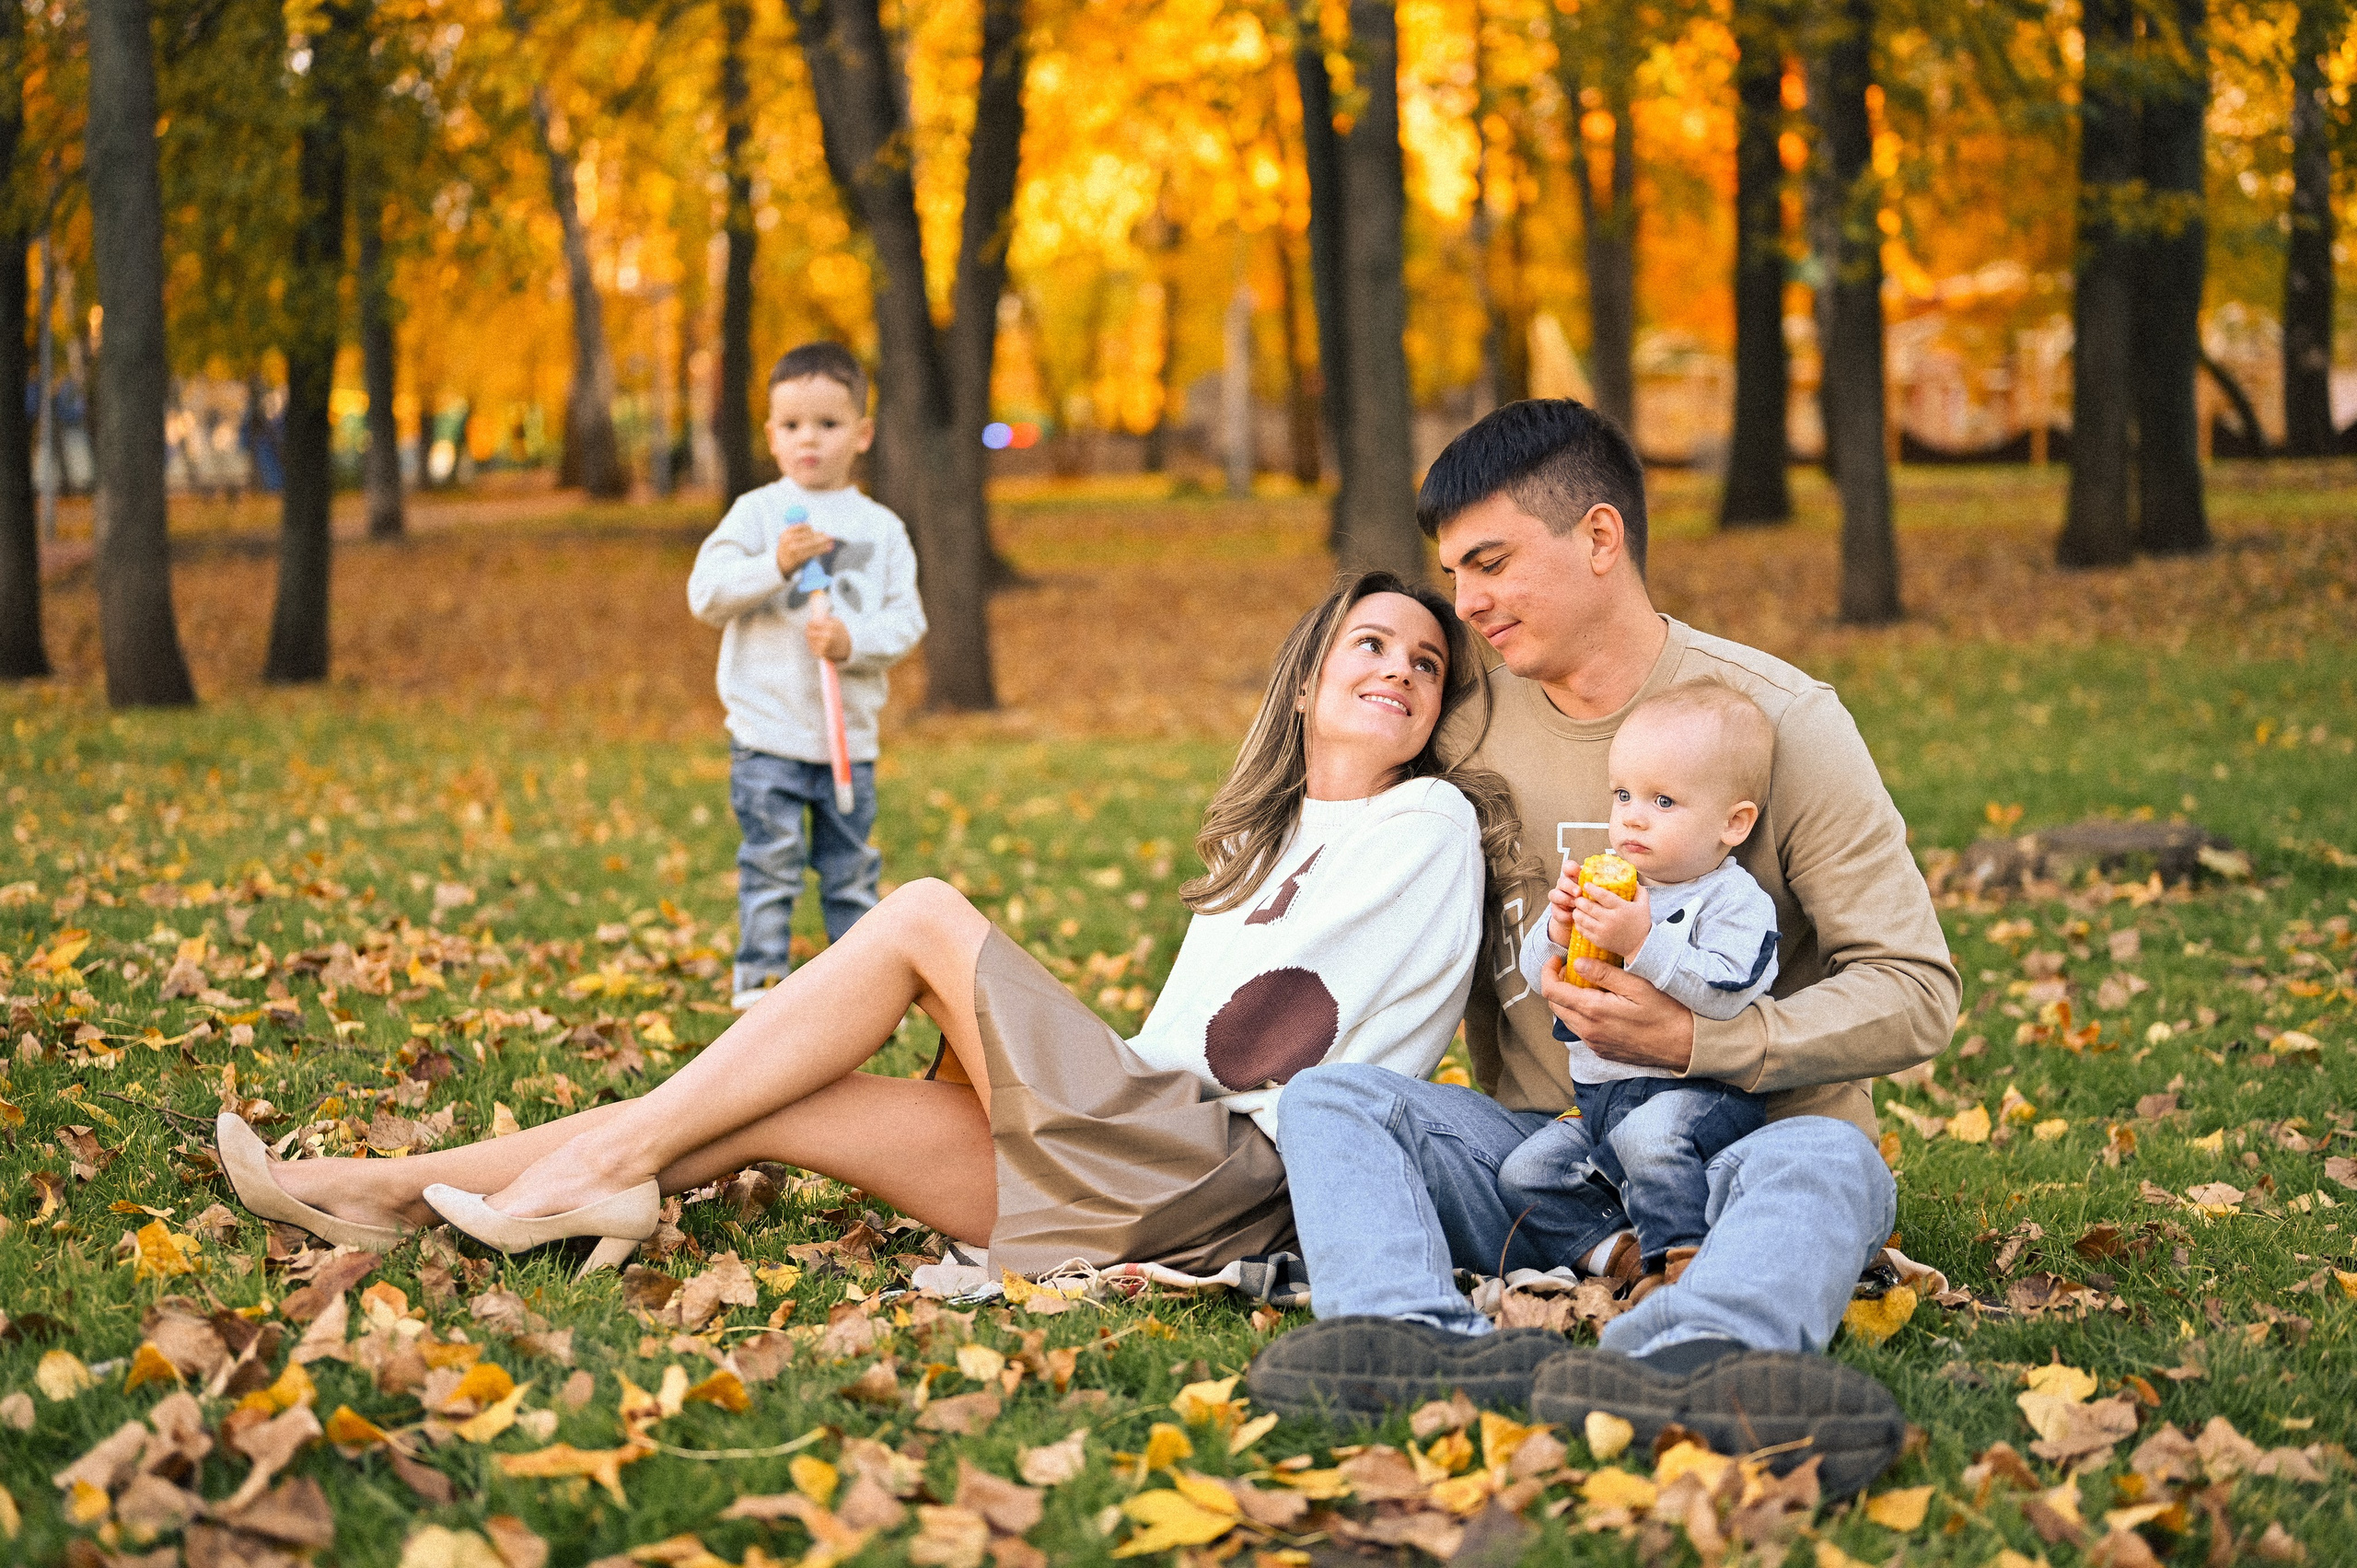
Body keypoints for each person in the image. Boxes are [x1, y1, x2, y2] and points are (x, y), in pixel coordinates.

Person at [215, 572, 1521, 1288]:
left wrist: (1022, 1061)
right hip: (1132, 1169)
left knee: (920, 914)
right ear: (1306, 679)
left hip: (1216, 1177)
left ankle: (571, 1170)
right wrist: (1007, 1073)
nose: (1400, 670)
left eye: (1424, 665)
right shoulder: (1273, 841)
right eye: (1373, 643)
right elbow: (1190, 1032)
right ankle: (394, 1189)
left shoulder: (1427, 826)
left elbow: (1262, 1051)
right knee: (783, 1103)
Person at [1248, 400, 1960, 1497]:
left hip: (1744, 1153)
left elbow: (1915, 991)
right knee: (1335, 1101)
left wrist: (1701, 1034)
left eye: (1489, 562)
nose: (1465, 602)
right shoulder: (1461, 714)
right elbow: (1327, 794)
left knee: (1830, 1165)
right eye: (1453, 571)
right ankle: (1414, 1343)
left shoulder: (1778, 722)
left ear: (1597, 536)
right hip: (1548, 1161)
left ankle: (1693, 1360)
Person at [1495, 680, 1782, 1300]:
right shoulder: (1615, 887)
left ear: (1733, 823)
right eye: (1622, 793)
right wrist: (1559, 930)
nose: (1631, 814)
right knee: (1524, 1174)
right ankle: (1622, 1257)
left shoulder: (1732, 900)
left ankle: (1684, 1268)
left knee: (1645, 1138)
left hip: (1699, 1095)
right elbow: (1537, 974)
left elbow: (1729, 989)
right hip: (1600, 1099)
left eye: (1663, 800)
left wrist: (1643, 939)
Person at [687, 343, 926, 1010]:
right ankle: (757, 988)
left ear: (862, 433)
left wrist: (852, 640)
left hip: (848, 742)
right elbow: (705, 595)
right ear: (771, 435)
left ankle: (858, 995)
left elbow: (907, 621)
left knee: (851, 874)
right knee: (771, 864)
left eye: (827, 423)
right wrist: (775, 566)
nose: (809, 439)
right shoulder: (758, 515)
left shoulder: (881, 529)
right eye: (792, 425)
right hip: (768, 736)